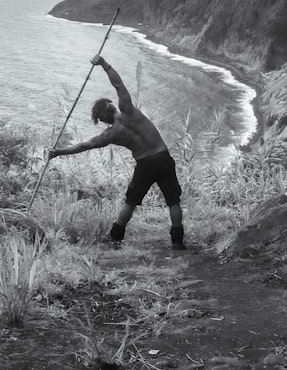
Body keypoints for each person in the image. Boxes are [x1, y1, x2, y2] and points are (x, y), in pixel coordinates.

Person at [49, 55, 186, 250]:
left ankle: (115, 238)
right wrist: (104, 64)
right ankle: (178, 242)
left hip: (145, 165)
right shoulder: (128, 109)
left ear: (103, 120)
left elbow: (84, 145)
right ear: (112, 106)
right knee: (173, 200)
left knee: (130, 202)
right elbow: (118, 84)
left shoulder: (110, 134)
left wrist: (58, 152)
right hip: (163, 157)